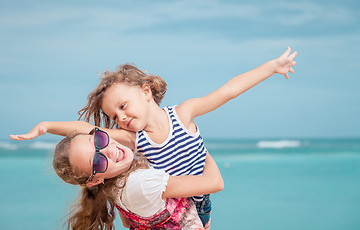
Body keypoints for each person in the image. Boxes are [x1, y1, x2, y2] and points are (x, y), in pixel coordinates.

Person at [11, 46, 297, 227]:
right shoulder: (134, 140)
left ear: (146, 91)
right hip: (176, 204)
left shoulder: (184, 113)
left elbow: (228, 90)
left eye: (123, 106)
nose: (120, 118)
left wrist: (271, 68)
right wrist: (48, 126)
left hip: (200, 200)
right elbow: (88, 132)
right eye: (114, 116)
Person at [52, 127, 223, 229]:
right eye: (96, 161)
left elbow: (128, 223)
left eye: (98, 139)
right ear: (95, 180)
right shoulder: (140, 184)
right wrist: (196, 144)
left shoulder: (113, 185)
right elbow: (215, 183)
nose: (110, 150)